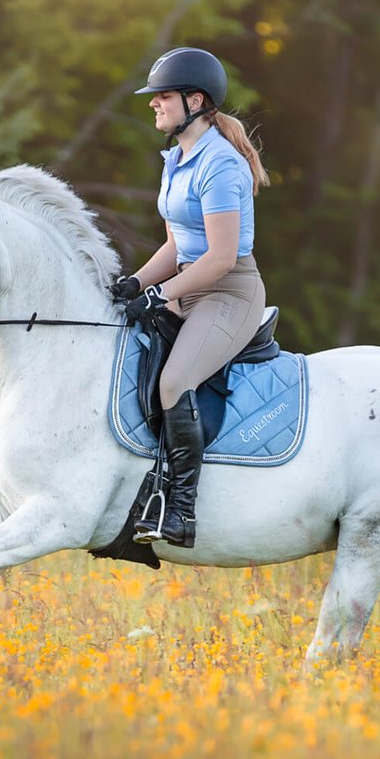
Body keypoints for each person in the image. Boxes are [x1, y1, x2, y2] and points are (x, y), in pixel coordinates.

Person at [109, 47, 270, 546]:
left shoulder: (221, 164)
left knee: (175, 381)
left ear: (194, 100)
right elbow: (178, 243)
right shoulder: (177, 158)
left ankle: (180, 512)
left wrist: (160, 295)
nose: (154, 104)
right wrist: (135, 283)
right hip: (188, 287)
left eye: (163, 97)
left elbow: (220, 258)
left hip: (227, 293)